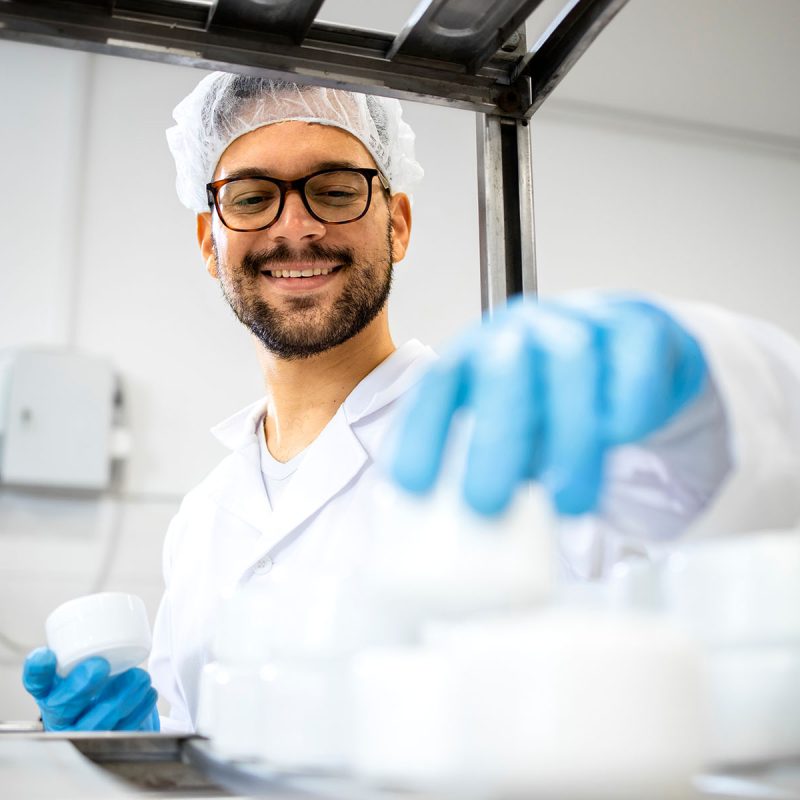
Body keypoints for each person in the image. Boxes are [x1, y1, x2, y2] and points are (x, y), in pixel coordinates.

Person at [22, 74, 800, 732]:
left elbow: (739, 520)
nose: (295, 228)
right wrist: (148, 743)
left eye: (332, 189)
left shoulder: (517, 432)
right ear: (209, 240)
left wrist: (714, 386)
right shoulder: (202, 518)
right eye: (254, 197)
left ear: (396, 223)